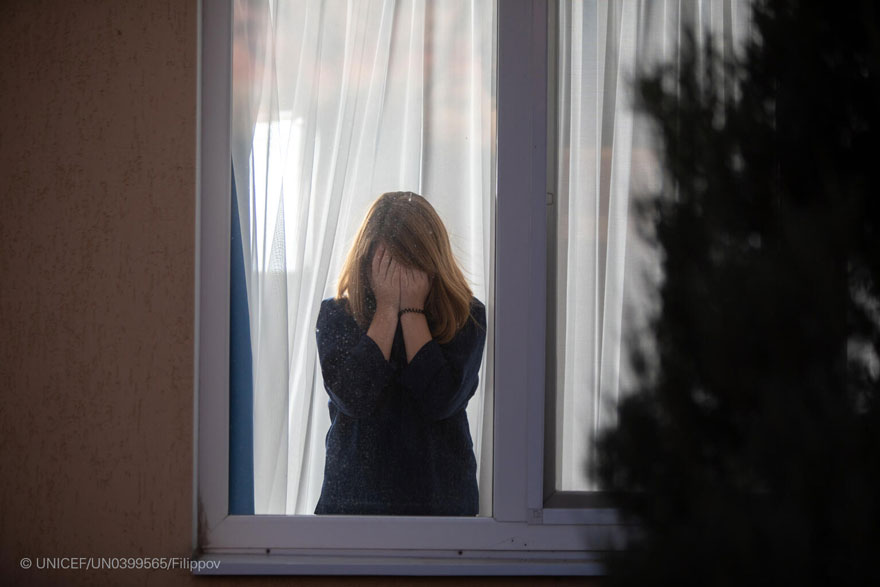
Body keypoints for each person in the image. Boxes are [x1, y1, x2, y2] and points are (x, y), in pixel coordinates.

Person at [314, 191, 487, 516]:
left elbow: (441, 401)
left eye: (409, 265)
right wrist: (386, 310)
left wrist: (410, 311)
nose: (397, 278)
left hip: (441, 504)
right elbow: (353, 398)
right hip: (352, 503)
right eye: (387, 265)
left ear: (431, 262)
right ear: (366, 260)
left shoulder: (466, 316)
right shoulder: (337, 316)